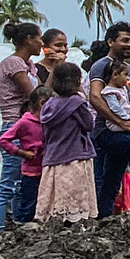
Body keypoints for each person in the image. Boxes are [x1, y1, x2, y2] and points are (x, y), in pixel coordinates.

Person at [88, 22, 130, 216]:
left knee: (111, 182)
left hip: (125, 131)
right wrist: (121, 123)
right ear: (110, 42)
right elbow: (94, 97)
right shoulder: (101, 66)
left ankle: (104, 220)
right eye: (124, 40)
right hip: (105, 131)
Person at [0, 22, 43, 236]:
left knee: (21, 184)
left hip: (27, 129)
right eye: (39, 38)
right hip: (16, 127)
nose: (41, 44)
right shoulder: (13, 64)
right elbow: (36, 95)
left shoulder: (29, 65)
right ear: (29, 39)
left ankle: (18, 228)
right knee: (8, 186)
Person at [35, 63, 98, 222]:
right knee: (75, 203)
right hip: (75, 156)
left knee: (54, 198)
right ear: (78, 81)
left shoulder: (48, 104)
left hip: (53, 157)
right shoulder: (77, 104)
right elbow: (89, 124)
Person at [0, 86, 53, 225]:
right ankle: (23, 230)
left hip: (47, 171)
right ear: (42, 103)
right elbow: (3, 140)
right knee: (28, 204)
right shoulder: (25, 122)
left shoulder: (49, 122)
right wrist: (21, 152)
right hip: (30, 172)